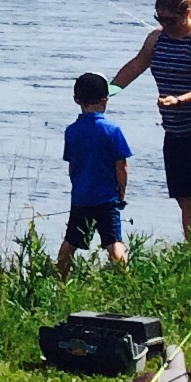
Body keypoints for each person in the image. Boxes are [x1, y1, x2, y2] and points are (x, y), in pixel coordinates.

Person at [114, 0, 191, 250]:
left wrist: (179, 100)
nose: (164, 24)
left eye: (170, 20)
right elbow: (136, 65)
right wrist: (109, 91)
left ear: (187, 12)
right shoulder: (156, 39)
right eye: (159, 19)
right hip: (176, 130)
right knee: (186, 200)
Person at [58, 72, 131, 278]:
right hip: (107, 199)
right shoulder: (112, 130)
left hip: (81, 198)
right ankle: (125, 282)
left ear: (76, 100)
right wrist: (121, 196)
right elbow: (122, 167)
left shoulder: (71, 131)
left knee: (70, 242)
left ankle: (60, 281)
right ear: (105, 100)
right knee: (114, 243)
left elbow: (72, 167)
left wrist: (78, 188)